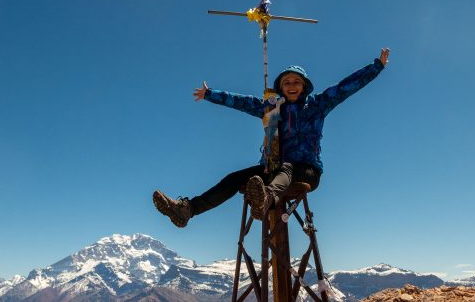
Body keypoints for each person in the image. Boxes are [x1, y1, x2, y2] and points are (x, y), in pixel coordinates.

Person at [153, 48, 390, 228]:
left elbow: (346, 87)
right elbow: (243, 102)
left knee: (285, 169)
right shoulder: (273, 108)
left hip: (307, 170)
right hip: (273, 169)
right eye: (287, 82)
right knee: (234, 177)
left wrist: (376, 67)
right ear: (280, 87)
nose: (292, 85)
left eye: (297, 82)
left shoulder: (318, 105)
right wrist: (210, 95)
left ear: (305, 86)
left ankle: (266, 199)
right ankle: (188, 210)